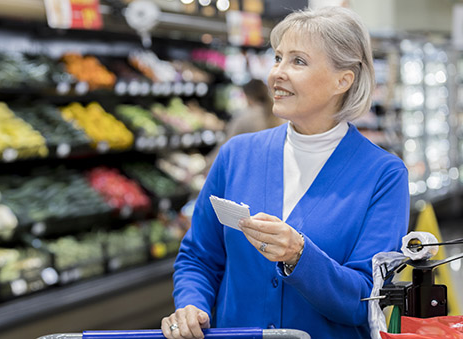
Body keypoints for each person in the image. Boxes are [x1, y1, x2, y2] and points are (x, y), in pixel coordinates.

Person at [161, 6, 409, 339]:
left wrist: (300, 255)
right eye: (277, 58)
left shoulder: (384, 176)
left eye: (298, 61)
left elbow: (364, 299)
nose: (277, 73)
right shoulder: (237, 155)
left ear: (343, 80)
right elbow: (199, 257)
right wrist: (192, 304)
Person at [202, 79, 284, 175]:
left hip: (250, 173)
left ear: (248, 97)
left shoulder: (245, 117)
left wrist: (206, 167)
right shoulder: (279, 115)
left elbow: (226, 146)